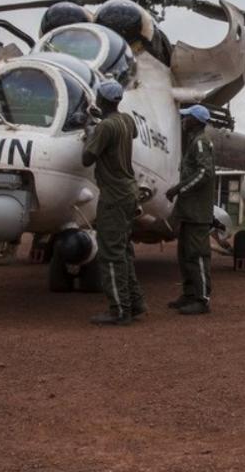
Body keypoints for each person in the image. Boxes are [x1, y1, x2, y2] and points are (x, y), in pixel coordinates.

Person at [81, 79, 146, 326]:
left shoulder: (105, 128)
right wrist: (100, 119)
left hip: (114, 196)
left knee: (110, 254)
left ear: (102, 99)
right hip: (129, 193)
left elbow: (87, 158)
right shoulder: (126, 120)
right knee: (124, 251)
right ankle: (135, 302)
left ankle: (119, 309)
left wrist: (91, 132)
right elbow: (129, 132)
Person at [164, 104, 216, 316]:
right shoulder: (194, 142)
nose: (184, 121)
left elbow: (205, 173)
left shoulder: (201, 142)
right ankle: (189, 294)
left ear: (196, 121)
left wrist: (179, 188)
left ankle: (202, 300)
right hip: (189, 211)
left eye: (187, 118)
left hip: (197, 213)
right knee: (185, 255)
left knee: (197, 255)